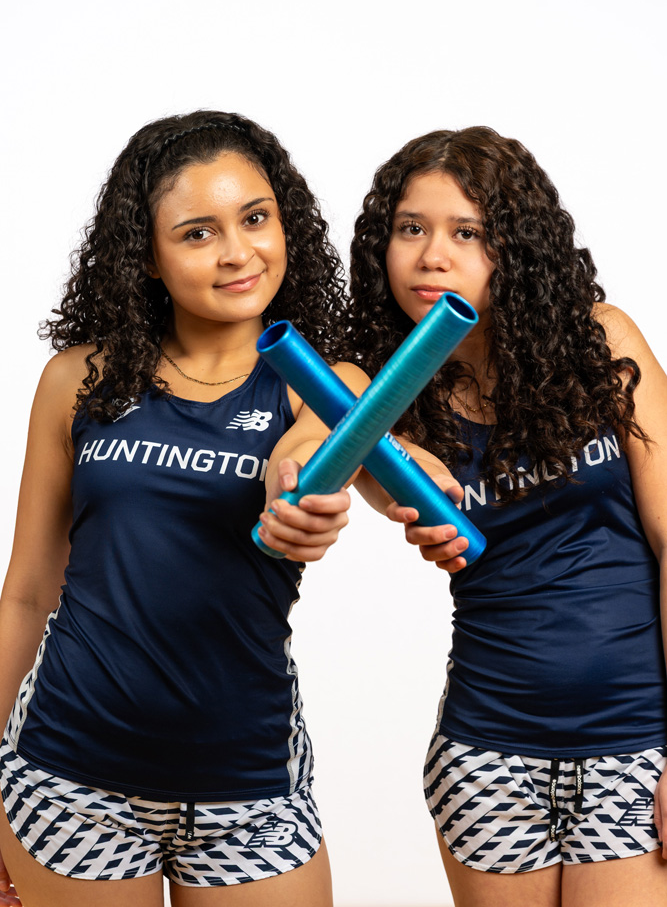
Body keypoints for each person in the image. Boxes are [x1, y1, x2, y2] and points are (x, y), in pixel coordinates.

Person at [0, 111, 369, 907]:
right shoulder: (77, 380)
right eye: (198, 233)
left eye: (255, 219)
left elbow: (315, 449)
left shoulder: (325, 381)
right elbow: (27, 592)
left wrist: (299, 488)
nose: (238, 252)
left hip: (248, 781)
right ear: (146, 256)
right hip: (67, 772)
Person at [346, 127, 667, 906]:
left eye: (466, 232)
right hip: (485, 751)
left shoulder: (600, 342)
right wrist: (385, 454)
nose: (431, 256)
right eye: (410, 229)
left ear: (514, 248)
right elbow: (369, 482)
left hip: (635, 741)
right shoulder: (388, 398)